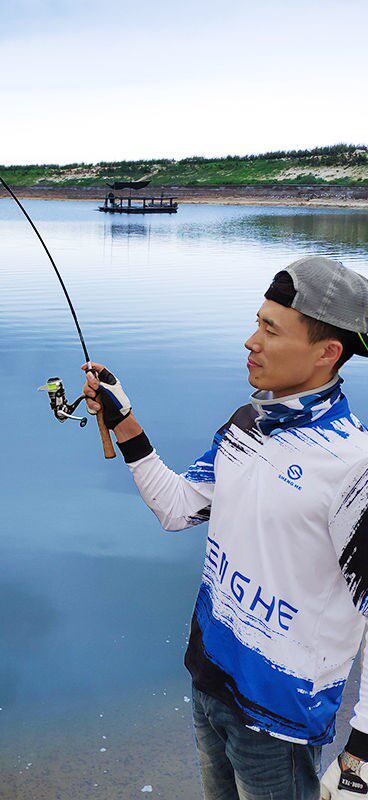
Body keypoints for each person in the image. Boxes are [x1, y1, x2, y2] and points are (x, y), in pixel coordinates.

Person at [82, 256, 368, 800]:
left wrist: (362, 751)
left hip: (277, 722)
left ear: (327, 353)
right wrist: (124, 421)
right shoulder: (247, 424)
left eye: (270, 330)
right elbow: (176, 508)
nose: (250, 341)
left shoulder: (355, 467)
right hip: (209, 681)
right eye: (257, 323)